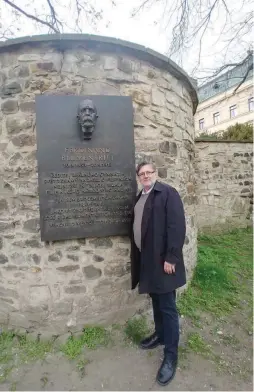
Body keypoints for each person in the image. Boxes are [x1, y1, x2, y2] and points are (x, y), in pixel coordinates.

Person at [130, 161, 186, 386]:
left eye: (148, 172)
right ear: (138, 177)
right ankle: (160, 335)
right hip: (148, 261)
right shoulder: (140, 196)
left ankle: (171, 356)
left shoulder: (167, 193)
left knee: (168, 307)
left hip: (164, 262)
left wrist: (171, 257)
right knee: (155, 299)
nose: (145, 176)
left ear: (156, 173)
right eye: (141, 174)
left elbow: (177, 226)